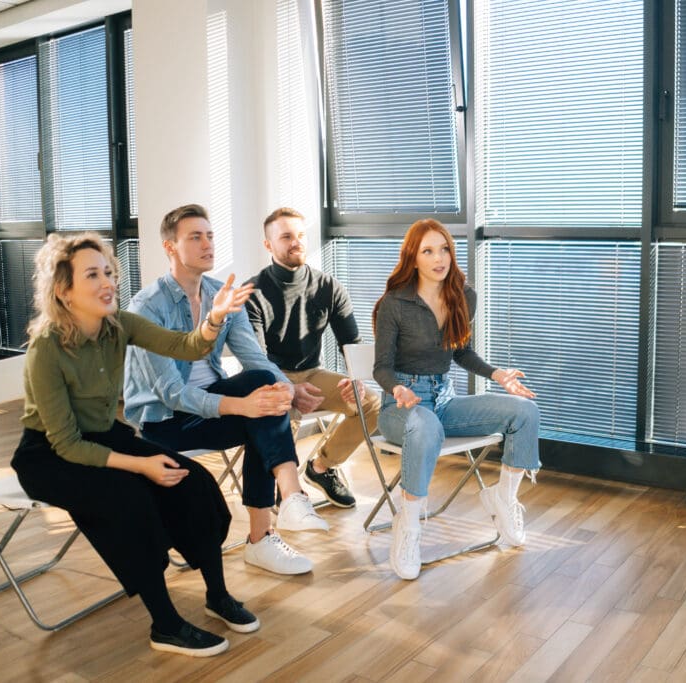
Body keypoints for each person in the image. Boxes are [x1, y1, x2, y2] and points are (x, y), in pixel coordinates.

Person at [12, 232, 259, 657]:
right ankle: (165, 625)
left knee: (192, 481)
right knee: (129, 500)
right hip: (48, 455)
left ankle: (217, 595)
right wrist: (140, 466)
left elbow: (186, 347)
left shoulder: (120, 326)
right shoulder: (47, 348)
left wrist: (214, 318)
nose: (108, 281)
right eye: (92, 275)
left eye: (109, 271)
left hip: (104, 436)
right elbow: (67, 444)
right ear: (63, 291)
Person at [124, 204, 327, 577]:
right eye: (195, 237)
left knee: (265, 393)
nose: (207, 244)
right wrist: (243, 406)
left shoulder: (223, 294)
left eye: (210, 235)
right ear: (171, 247)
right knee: (258, 407)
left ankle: (286, 507)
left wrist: (289, 389)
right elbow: (171, 393)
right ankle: (270, 527)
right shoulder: (146, 307)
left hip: (212, 408)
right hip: (166, 423)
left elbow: (255, 358)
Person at [372, 219, 541, 580]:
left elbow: (461, 353)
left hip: (444, 399)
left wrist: (497, 375)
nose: (439, 258)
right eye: (428, 251)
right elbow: (381, 367)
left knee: (525, 411)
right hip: (401, 408)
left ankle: (504, 498)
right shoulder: (394, 304)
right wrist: (398, 390)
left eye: (444, 248)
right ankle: (410, 525)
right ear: (412, 258)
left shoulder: (464, 295)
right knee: (424, 424)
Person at [245, 207, 381, 509]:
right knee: (281, 406)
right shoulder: (253, 292)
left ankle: (321, 467)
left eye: (301, 235)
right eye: (286, 237)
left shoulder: (328, 286)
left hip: (311, 373)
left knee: (370, 403)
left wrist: (355, 380)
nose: (297, 242)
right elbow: (256, 360)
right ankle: (285, 482)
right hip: (270, 376)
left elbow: (352, 343)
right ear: (268, 245)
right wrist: (289, 389)